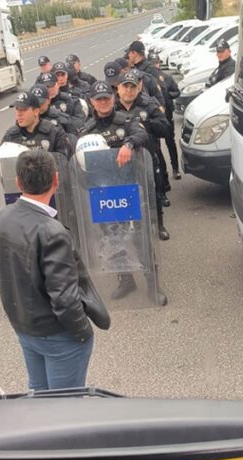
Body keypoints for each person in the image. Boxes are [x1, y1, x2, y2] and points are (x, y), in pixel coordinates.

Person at [0, 149, 107, 391]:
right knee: (64, 406)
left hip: (24, 327)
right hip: (58, 336)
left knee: (38, 397)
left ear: (18, 182)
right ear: (56, 180)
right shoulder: (52, 232)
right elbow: (64, 298)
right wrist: (83, 332)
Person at [78, 81, 163, 304]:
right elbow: (77, 163)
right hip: (104, 196)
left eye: (107, 98)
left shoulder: (126, 121)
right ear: (92, 102)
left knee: (139, 239)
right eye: (99, 100)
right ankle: (125, 279)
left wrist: (129, 144)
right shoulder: (86, 131)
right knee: (113, 241)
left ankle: (153, 285)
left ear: (113, 99)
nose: (103, 102)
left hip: (130, 191)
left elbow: (143, 136)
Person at [115, 70, 172, 239]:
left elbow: (165, 128)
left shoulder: (148, 104)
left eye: (133, 87)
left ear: (138, 88)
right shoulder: (112, 107)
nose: (129, 90)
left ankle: (159, 224)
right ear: (118, 88)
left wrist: (145, 126)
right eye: (125, 86)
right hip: (120, 160)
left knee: (152, 190)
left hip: (146, 156)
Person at [0, 89, 73, 158]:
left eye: (23, 110)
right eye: (17, 109)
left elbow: (64, 161)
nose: (19, 114)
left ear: (36, 111)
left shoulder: (54, 133)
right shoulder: (10, 136)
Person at [152, 54, 182, 182]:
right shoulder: (150, 79)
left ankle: (175, 168)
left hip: (168, 114)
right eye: (153, 62)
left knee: (170, 142)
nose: (155, 64)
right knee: (156, 146)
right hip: (155, 116)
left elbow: (177, 91)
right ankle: (162, 172)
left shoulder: (167, 77)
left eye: (157, 62)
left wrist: (167, 95)